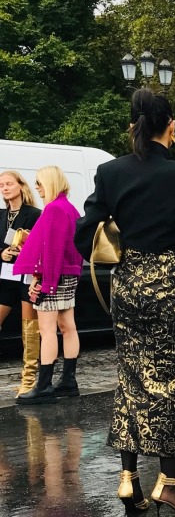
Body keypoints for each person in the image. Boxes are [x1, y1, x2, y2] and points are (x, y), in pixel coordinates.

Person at [74, 88, 175, 516]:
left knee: (131, 376)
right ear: (171, 126)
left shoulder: (110, 172)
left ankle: (129, 479)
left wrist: (124, 241)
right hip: (167, 283)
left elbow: (83, 234)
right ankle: (170, 485)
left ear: (133, 125)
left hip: (127, 282)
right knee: (170, 382)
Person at [13, 166, 84, 403]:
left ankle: (44, 386)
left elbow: (51, 251)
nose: (36, 187)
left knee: (47, 330)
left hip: (54, 275)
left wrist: (44, 283)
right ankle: (68, 382)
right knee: (68, 327)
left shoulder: (53, 209)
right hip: (69, 274)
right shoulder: (70, 208)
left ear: (50, 182)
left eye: (39, 182)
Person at [0, 171, 42, 394]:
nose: (5, 188)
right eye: (1, 185)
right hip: (6, 277)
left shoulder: (34, 214)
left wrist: (24, 250)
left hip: (26, 276)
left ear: (20, 186)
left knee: (29, 329)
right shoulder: (1, 215)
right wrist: (2, 253)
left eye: (9, 184)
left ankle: (28, 380)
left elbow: (41, 245)